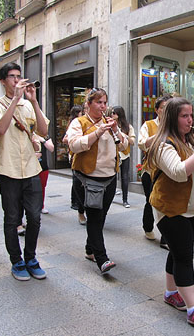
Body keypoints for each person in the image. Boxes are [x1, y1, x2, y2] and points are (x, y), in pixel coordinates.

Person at [146, 97, 194, 326]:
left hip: (191, 208)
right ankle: (193, 309)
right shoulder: (162, 144)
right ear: (172, 118)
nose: (190, 120)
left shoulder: (193, 140)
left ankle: (170, 293)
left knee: (177, 252)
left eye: (191, 115)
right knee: (184, 257)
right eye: (184, 116)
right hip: (170, 209)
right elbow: (179, 172)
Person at [0, 62, 49, 281]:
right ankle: (17, 261)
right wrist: (15, 99)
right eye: (12, 77)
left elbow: (43, 130)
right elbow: (0, 130)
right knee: (12, 219)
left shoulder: (28, 105)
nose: (16, 80)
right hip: (8, 169)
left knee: (34, 217)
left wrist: (33, 100)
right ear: (3, 81)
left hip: (31, 169)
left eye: (19, 76)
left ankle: (31, 257)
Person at [67, 88, 128, 274]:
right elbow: (74, 145)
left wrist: (116, 130)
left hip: (109, 177)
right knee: (94, 217)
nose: (103, 106)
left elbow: (125, 146)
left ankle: (89, 248)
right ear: (88, 104)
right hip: (87, 178)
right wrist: (97, 131)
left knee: (101, 216)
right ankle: (102, 258)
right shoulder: (79, 122)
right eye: (99, 102)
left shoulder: (110, 123)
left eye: (104, 102)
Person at [137, 94, 172, 249]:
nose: (166, 111)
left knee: (167, 203)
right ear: (157, 110)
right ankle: (148, 226)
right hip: (151, 171)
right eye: (163, 108)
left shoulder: (176, 125)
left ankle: (166, 238)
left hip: (170, 171)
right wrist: (160, 133)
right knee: (151, 201)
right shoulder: (149, 125)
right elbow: (142, 144)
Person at [62, 105, 86, 225]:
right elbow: (65, 139)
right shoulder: (75, 123)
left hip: (89, 158)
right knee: (78, 182)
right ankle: (79, 208)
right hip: (76, 156)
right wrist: (79, 140)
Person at [111, 106, 135, 208]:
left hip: (124, 155)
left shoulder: (128, 127)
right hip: (113, 154)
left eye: (114, 113)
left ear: (119, 114)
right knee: (112, 177)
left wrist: (124, 136)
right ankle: (110, 197)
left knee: (124, 177)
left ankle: (125, 200)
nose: (112, 115)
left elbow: (133, 141)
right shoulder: (110, 125)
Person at [34, 133, 55, 214]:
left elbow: (51, 148)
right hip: (31, 167)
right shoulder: (28, 133)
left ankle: (41, 205)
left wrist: (43, 140)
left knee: (42, 187)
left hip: (43, 166)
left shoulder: (45, 136)